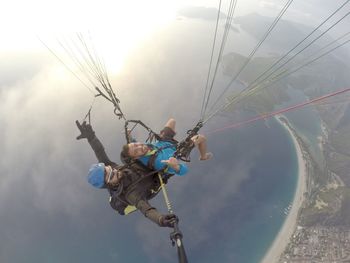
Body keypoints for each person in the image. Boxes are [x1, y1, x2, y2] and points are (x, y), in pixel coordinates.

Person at [76, 120, 178, 228]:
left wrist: (91, 137)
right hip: (154, 176)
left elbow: (99, 152)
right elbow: (145, 209)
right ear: (109, 184)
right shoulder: (130, 194)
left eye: (110, 169)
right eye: (111, 175)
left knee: (125, 155)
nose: (115, 171)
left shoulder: (115, 169)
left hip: (144, 167)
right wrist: (161, 220)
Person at [121, 118, 212, 175]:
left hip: (163, 142)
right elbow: (184, 170)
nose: (139, 146)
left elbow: (133, 144)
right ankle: (203, 157)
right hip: (177, 150)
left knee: (172, 121)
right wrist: (176, 166)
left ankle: (171, 137)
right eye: (137, 151)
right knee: (201, 138)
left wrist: (130, 137)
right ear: (137, 157)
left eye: (136, 145)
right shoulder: (159, 162)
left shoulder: (141, 148)